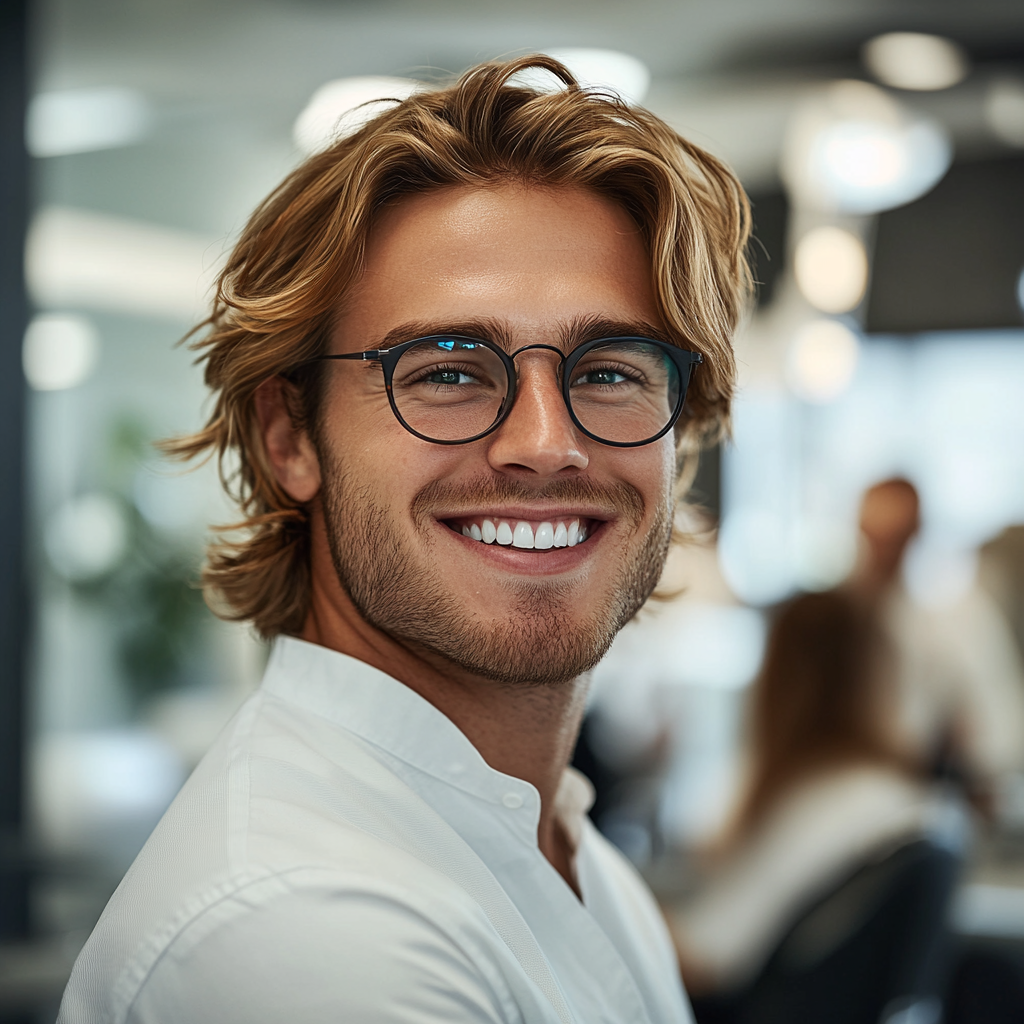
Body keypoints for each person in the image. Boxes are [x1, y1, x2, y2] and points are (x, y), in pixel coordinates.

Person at [58, 56, 751, 1024]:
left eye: (609, 369)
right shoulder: (307, 928)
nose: (546, 444)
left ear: (680, 435)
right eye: (449, 371)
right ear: (290, 437)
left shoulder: (552, 842)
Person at [667, 589, 945, 997]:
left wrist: (602, 904)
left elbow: (707, 960)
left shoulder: (825, 805)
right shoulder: (897, 800)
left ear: (786, 677)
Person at [851, 478, 1024, 807]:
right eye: (873, 537)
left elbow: (999, 736)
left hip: (923, 798)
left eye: (894, 539)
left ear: (915, 532)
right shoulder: (833, 623)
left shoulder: (955, 617)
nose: (881, 553)